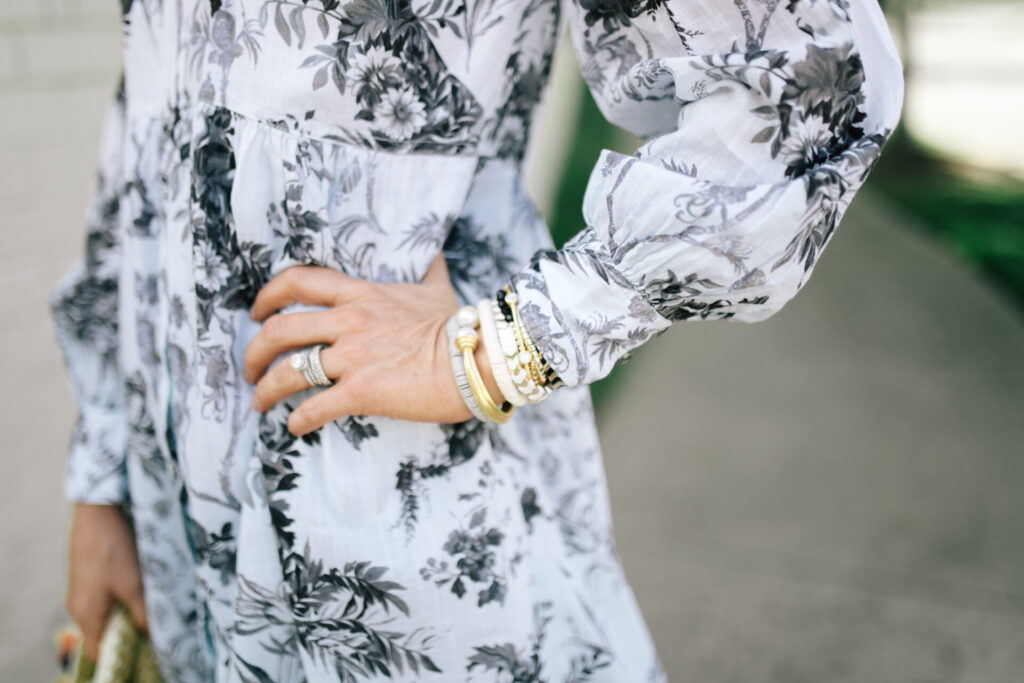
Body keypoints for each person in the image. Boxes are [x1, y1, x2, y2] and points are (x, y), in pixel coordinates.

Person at [50, 0, 903, 679]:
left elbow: (810, 93)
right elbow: (144, 123)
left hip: (389, 473)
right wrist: (103, 481)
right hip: (173, 489)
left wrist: (505, 347)